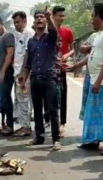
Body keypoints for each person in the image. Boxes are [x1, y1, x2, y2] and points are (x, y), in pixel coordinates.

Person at [21, 8, 62, 151]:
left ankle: (56, 139)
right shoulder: (31, 42)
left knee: (52, 108)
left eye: (42, 17)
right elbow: (28, 63)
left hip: (49, 77)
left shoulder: (51, 37)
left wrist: (49, 17)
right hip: (35, 79)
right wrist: (23, 80)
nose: (39, 19)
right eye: (37, 17)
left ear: (45, 20)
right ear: (34, 21)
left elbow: (53, 29)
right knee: (37, 110)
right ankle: (39, 137)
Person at [71, 3, 103, 153]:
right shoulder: (98, 36)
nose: (91, 19)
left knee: (100, 113)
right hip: (94, 79)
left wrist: (98, 81)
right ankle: (91, 140)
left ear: (99, 16)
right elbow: (91, 56)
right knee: (92, 112)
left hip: (100, 81)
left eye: (93, 15)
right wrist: (74, 66)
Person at [52, 6, 75, 137]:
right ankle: (49, 120)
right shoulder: (47, 31)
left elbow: (73, 49)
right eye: (59, 15)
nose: (61, 18)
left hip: (61, 68)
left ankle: (62, 123)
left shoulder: (68, 32)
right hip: (48, 69)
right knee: (49, 96)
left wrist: (67, 55)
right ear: (53, 16)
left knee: (63, 94)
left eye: (63, 16)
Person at [0, 16, 15, 136]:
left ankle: (10, 126)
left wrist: (3, 71)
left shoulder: (8, 36)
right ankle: (7, 125)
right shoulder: (1, 38)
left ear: (2, 24)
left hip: (7, 72)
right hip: (1, 72)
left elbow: (10, 54)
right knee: (4, 99)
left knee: (7, 99)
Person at [12, 11, 35, 137]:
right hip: (19, 73)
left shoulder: (28, 33)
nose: (16, 25)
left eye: (18, 22)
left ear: (25, 21)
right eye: (14, 22)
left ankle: (25, 127)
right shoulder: (21, 35)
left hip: (23, 74)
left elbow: (27, 54)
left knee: (24, 99)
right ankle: (24, 125)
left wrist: (22, 73)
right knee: (22, 99)